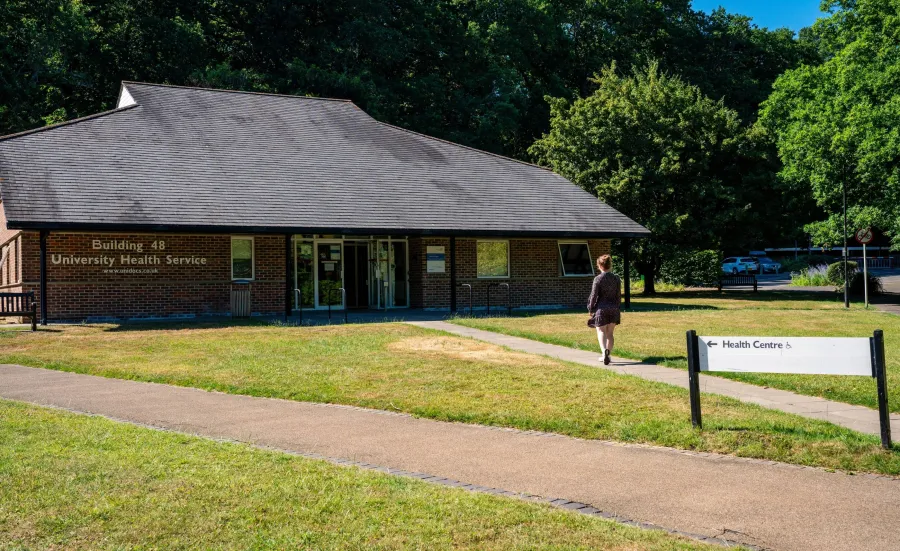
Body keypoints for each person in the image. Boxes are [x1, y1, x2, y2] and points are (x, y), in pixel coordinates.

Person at [587, 254, 621, 365]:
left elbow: (594, 295)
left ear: (599, 266)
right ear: (610, 265)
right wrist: (617, 307)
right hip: (614, 308)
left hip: (601, 309)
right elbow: (618, 295)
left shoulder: (598, 279)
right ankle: (608, 354)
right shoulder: (616, 278)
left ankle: (603, 353)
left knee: (601, 331)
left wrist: (591, 308)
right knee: (610, 333)